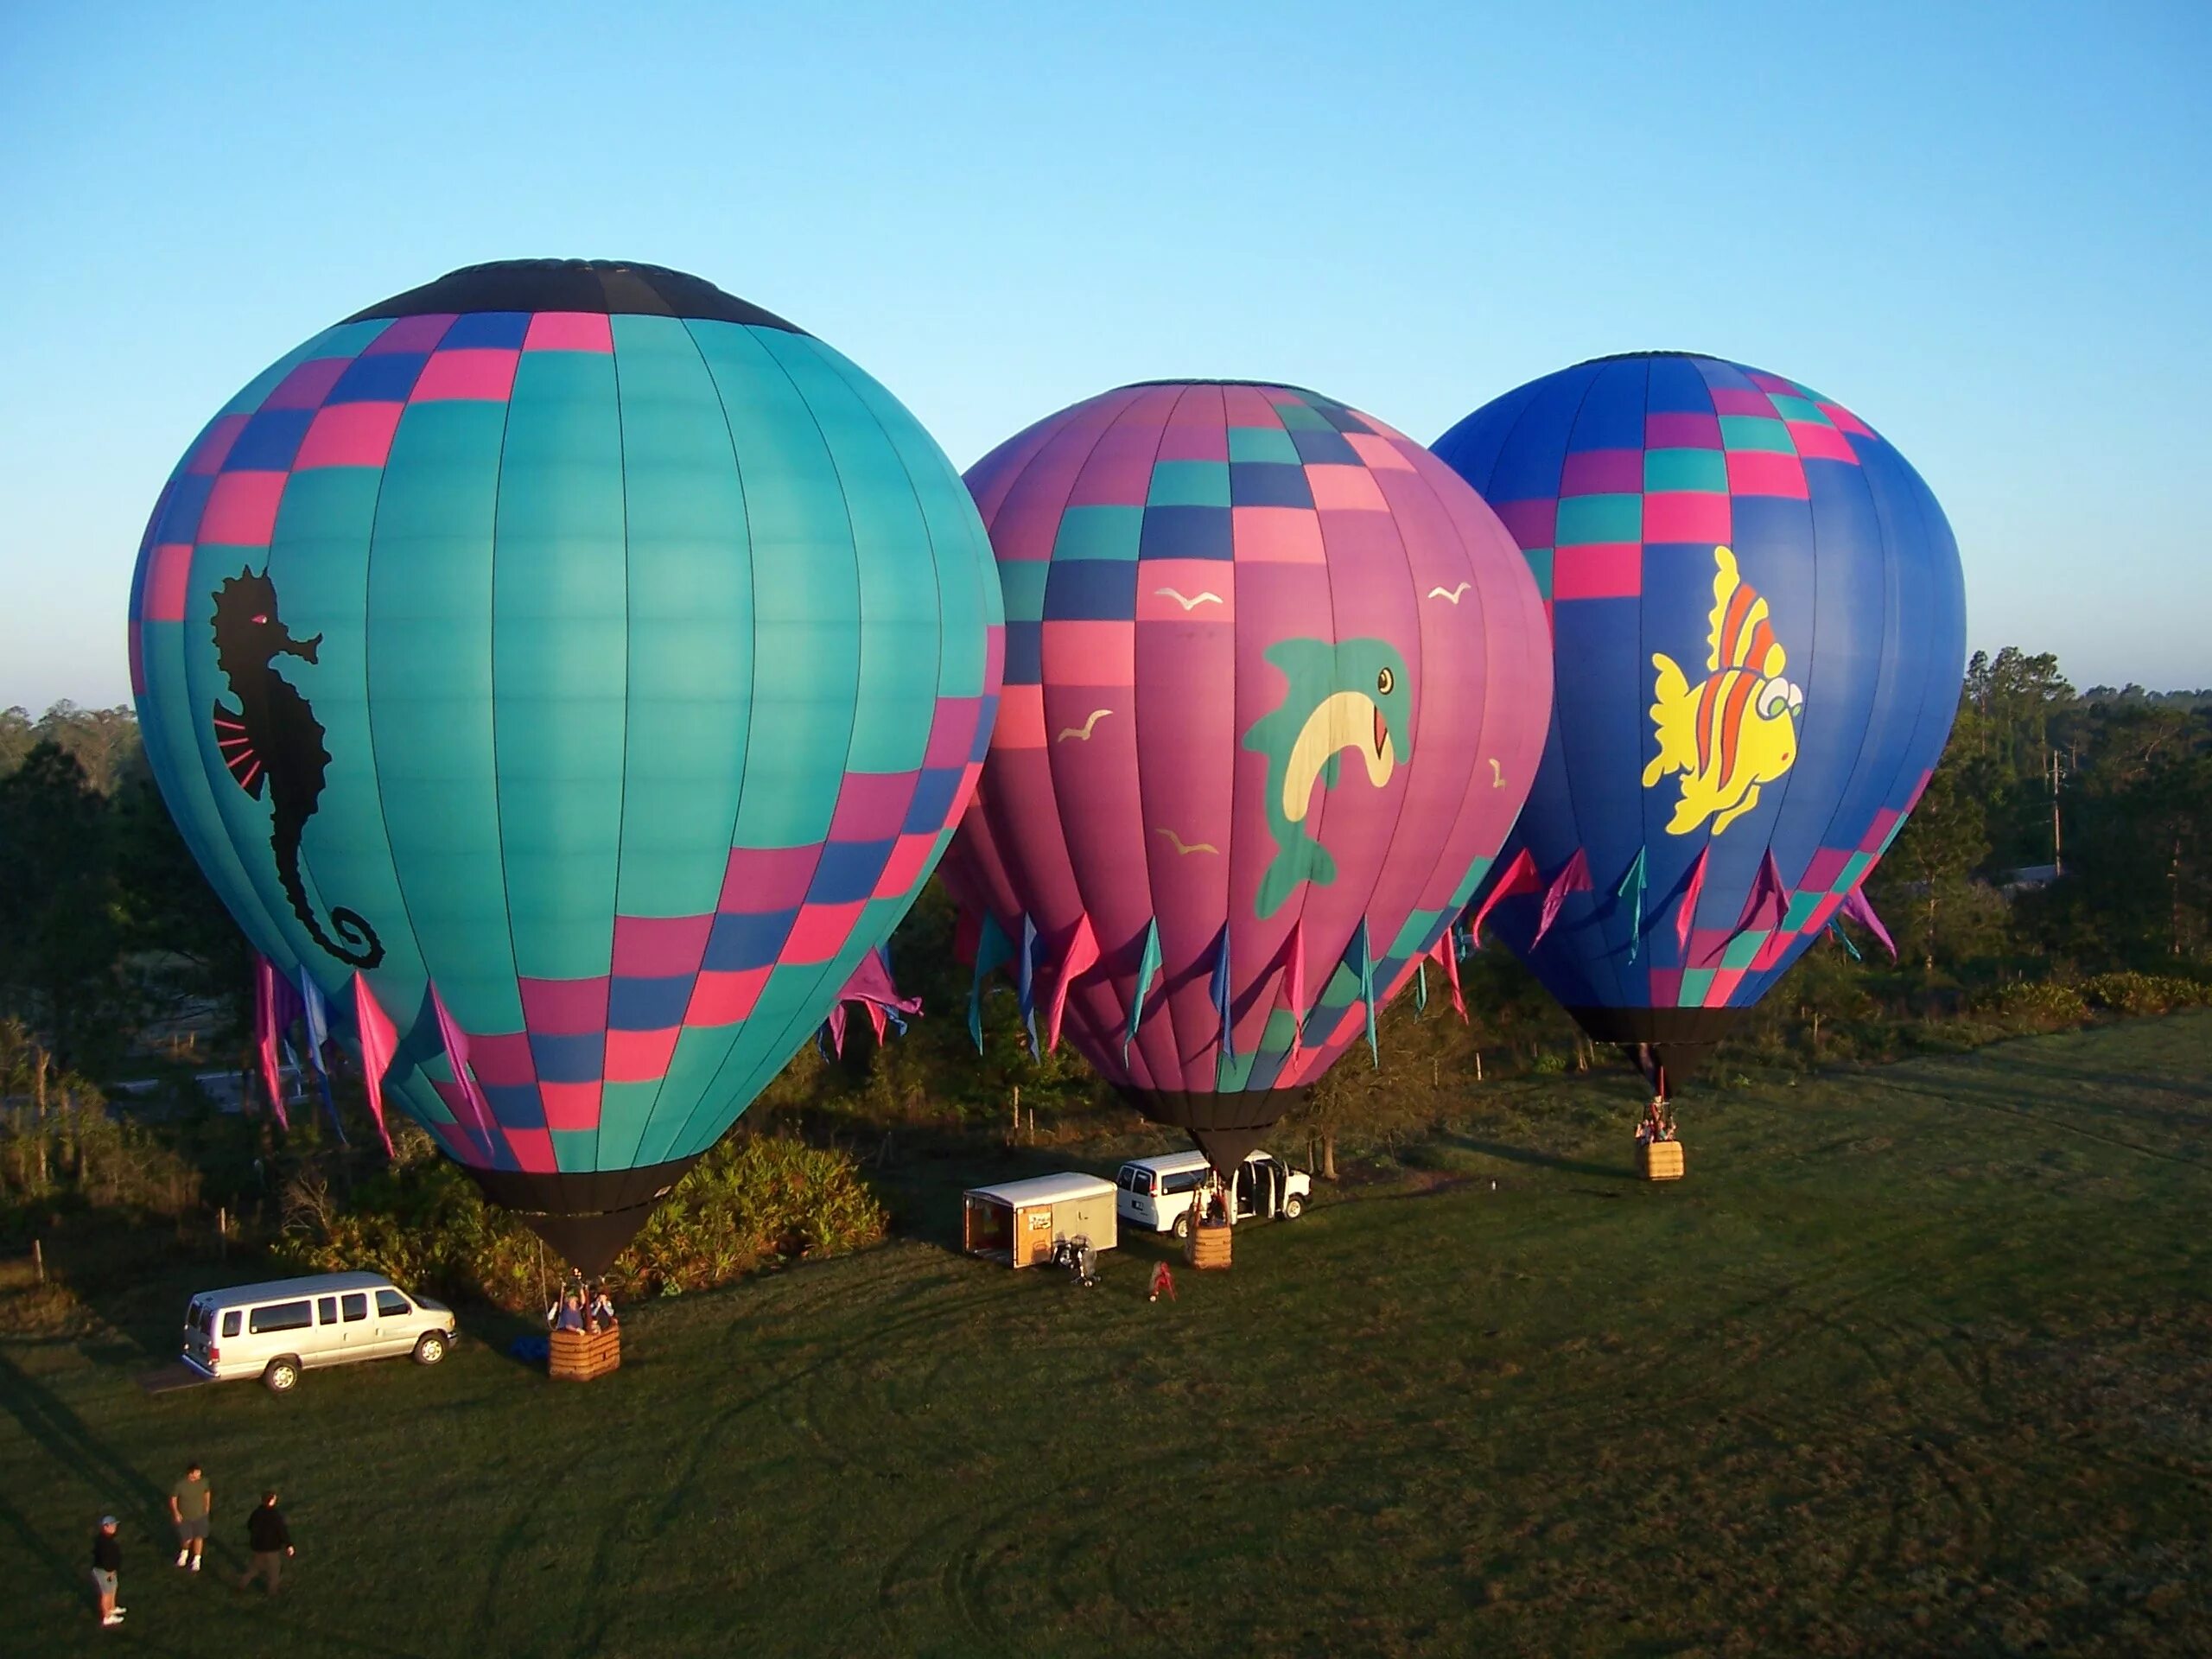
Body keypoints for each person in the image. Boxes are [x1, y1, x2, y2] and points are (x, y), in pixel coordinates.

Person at [239, 1491, 294, 1596]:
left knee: (254, 1569)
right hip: (271, 1548)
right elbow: (281, 1531)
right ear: (271, 1501)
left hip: (258, 1547)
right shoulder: (275, 1515)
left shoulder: (256, 1513)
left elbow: (250, 1526)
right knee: (274, 1571)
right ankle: (272, 1591)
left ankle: (241, 1585)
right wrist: (288, 1545)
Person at [169, 1459, 212, 1571]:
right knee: (186, 1539)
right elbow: (173, 1499)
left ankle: (196, 1560)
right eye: (197, 1472)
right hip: (185, 1517)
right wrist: (176, 1513)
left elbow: (207, 1492)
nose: (199, 1474)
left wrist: (207, 1506)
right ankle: (184, 1554)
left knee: (199, 1537)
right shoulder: (180, 1485)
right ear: (191, 1473)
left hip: (200, 1515)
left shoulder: (203, 1482)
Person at [91, 1515, 124, 1627]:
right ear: (105, 1526)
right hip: (104, 1571)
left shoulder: (109, 1538)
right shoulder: (103, 1542)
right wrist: (110, 1570)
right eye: (112, 1525)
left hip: (110, 1570)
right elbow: (104, 1559)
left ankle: (112, 1608)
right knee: (106, 1593)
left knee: (113, 1587)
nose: (115, 1527)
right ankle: (107, 1617)